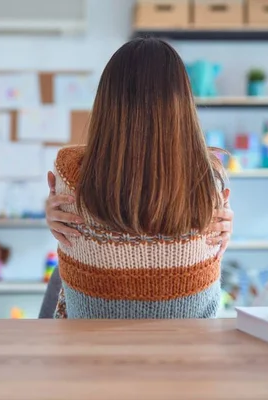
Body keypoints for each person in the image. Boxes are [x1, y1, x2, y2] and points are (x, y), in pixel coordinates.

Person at [42, 37, 235, 319]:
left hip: (88, 353)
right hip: (192, 356)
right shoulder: (207, 176)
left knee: (58, 280)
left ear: (107, 104)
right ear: (183, 105)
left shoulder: (71, 173)